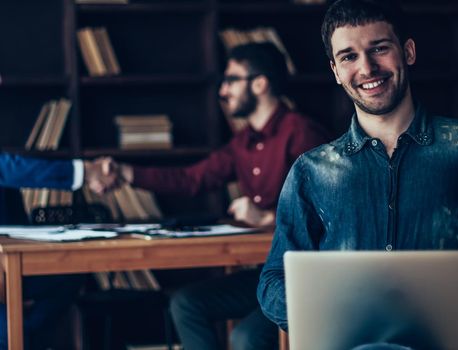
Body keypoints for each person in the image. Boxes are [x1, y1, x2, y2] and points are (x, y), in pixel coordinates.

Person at [257, 0, 458, 348]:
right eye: (349, 56)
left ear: (408, 51)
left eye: (379, 49)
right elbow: (272, 282)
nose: (367, 68)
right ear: (335, 70)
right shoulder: (310, 171)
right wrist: (328, 313)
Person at [96, 42, 328, 350]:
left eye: (231, 80)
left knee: (245, 337)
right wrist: (126, 173)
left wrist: (269, 218)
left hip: (305, 280)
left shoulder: (302, 133)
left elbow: (329, 214)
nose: (223, 91)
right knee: (186, 304)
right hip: (265, 273)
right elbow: (191, 179)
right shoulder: (242, 142)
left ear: (260, 83)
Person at [0, 153, 108, 349]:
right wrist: (87, 172)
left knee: (71, 271)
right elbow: (8, 169)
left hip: (13, 265)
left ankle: (27, 329)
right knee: (11, 333)